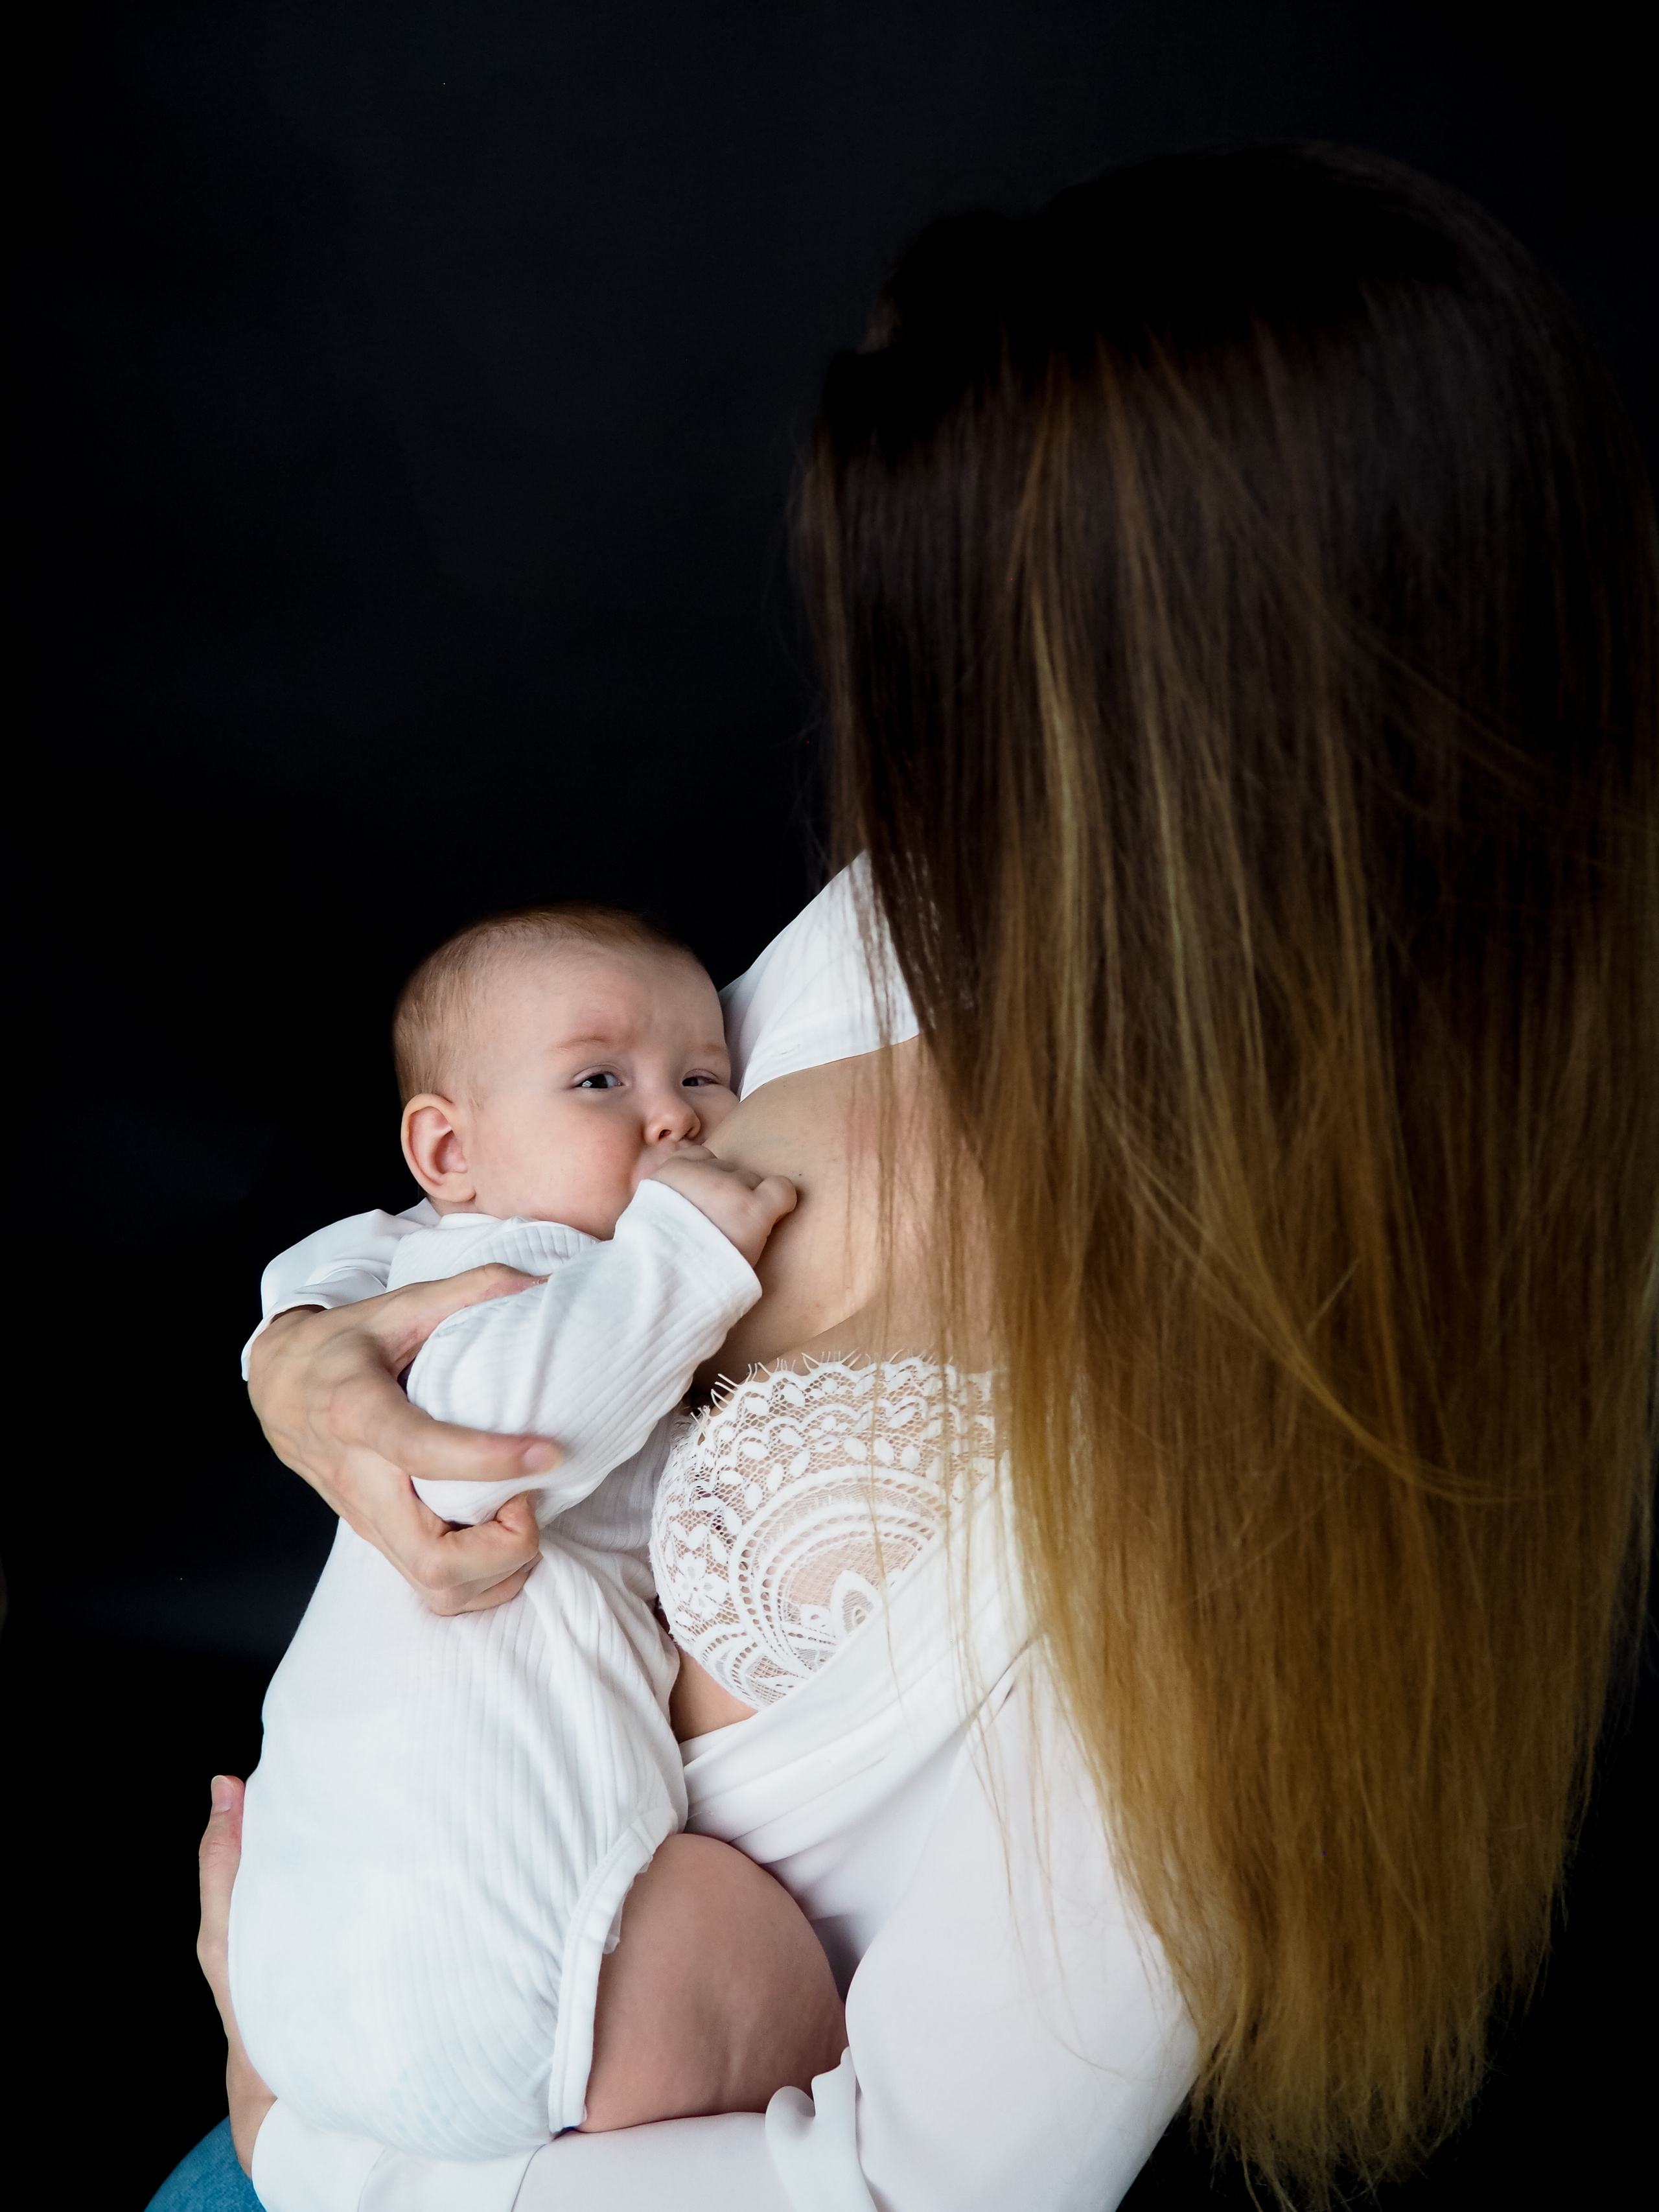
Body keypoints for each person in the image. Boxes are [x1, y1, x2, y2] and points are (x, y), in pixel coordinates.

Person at [163, 141, 1657, 2212]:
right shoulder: (912, 929)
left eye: (977, 681)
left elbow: (906, 2186)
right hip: (367, 2000)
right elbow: (508, 1236)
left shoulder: (1280, 1448)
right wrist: (309, 1356)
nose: (918, 767)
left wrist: (305, 2140)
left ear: (1200, 732)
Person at [228, 900, 848, 2161]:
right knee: (777, 1949)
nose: (671, 1117)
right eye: (598, 1080)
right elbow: (480, 1447)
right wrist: (681, 1251)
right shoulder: (510, 1272)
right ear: (447, 1154)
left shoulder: (431, 1278)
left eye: (703, 1078)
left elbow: (310, 1288)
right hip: (529, 1972)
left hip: (333, 1996)